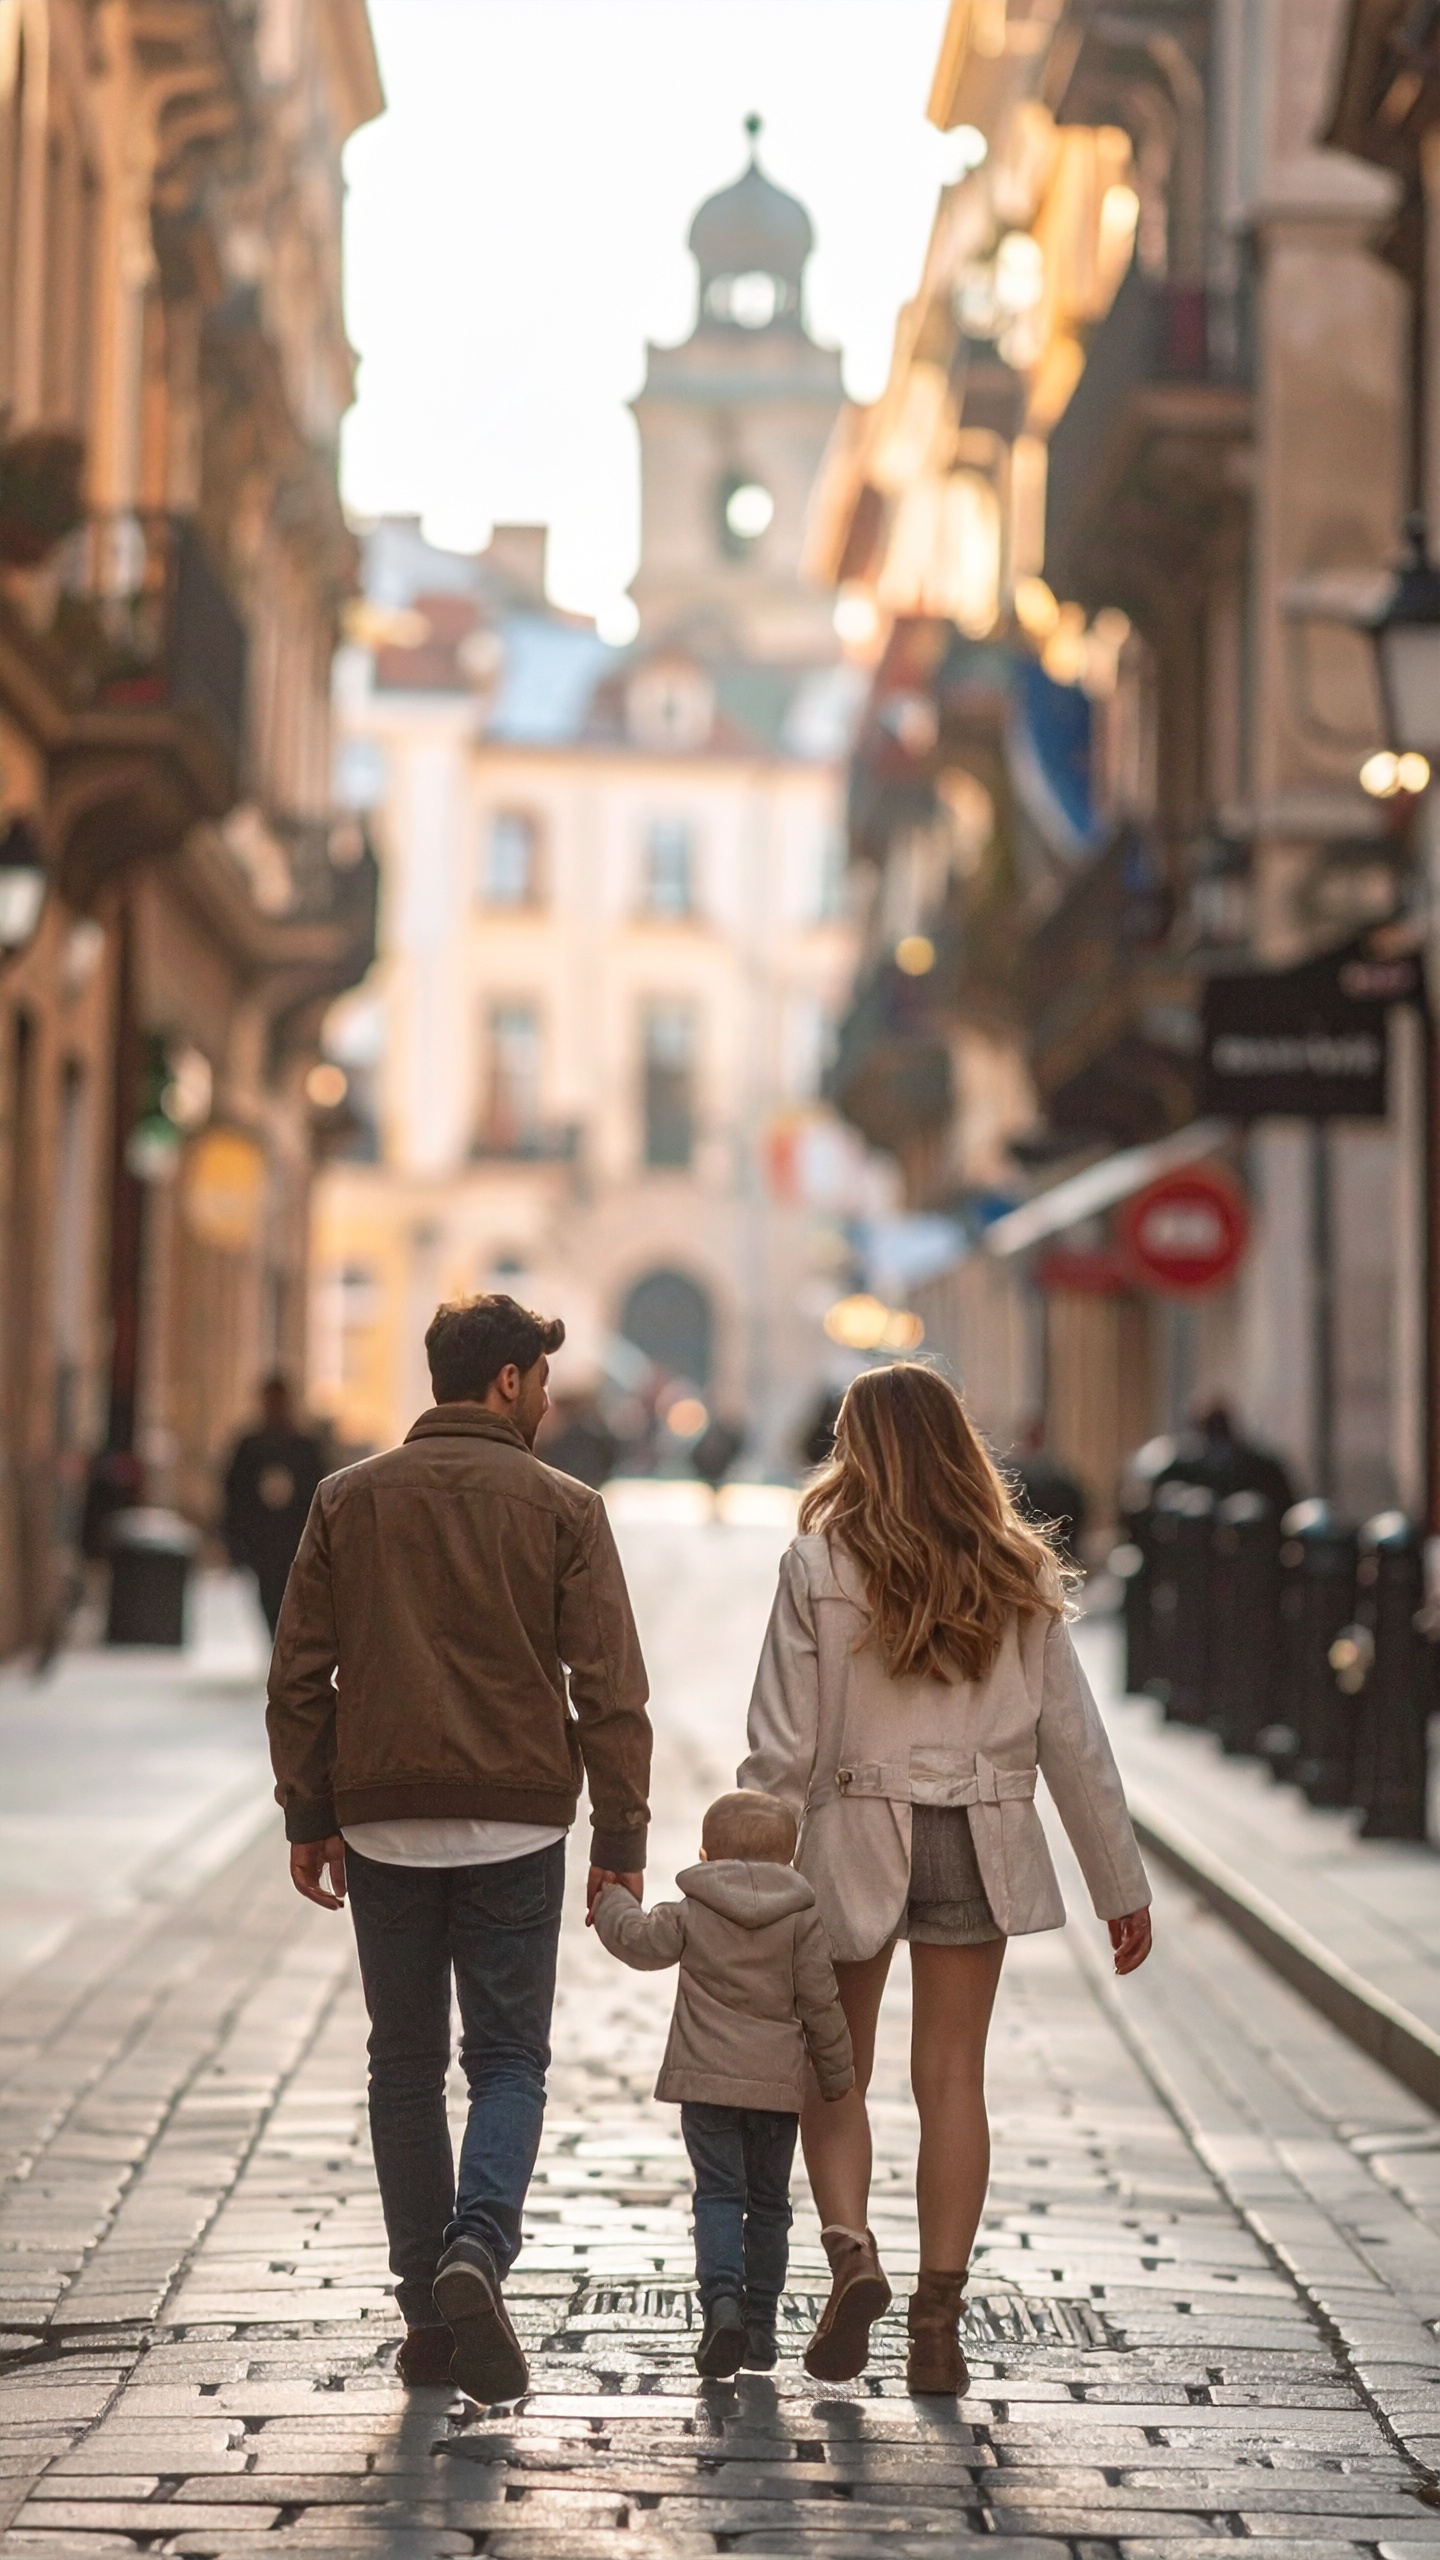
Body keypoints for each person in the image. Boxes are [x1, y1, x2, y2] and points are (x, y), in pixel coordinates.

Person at [266, 1293, 653, 2404]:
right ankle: (477, 2245)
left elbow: (299, 1673)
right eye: (536, 1378)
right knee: (507, 2060)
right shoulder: (566, 1505)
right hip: (519, 1822)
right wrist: (618, 1836)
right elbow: (610, 1688)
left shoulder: (349, 1497)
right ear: (508, 1381)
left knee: (401, 2063)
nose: (540, 1397)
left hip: (383, 1817)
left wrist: (308, 1812)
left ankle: (428, 2317)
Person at [740, 1362, 1152, 2398]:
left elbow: (781, 1744)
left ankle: (850, 2255)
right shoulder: (1016, 1568)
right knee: (953, 2076)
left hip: (853, 1837)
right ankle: (937, 2324)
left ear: (859, 1450)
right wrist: (1121, 1885)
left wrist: (746, 1867)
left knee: (833, 2069)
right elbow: (1075, 1739)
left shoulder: (818, 1562)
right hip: (981, 1831)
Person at [592, 1787, 853, 2377]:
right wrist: (837, 2076)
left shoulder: (692, 1909)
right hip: (776, 2095)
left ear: (707, 1853)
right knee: (768, 2205)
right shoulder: (801, 1918)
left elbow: (637, 1941)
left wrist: (611, 1899)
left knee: (716, 2195)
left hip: (706, 2085)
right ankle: (760, 2326)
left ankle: (723, 2307)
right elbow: (822, 2002)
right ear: (790, 1860)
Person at [222, 1376, 327, 1636]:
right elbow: (234, 1494)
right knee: (268, 1596)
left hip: (293, 1538)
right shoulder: (249, 1446)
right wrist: (233, 1540)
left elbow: (318, 1493)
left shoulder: (304, 1447)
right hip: (261, 1539)